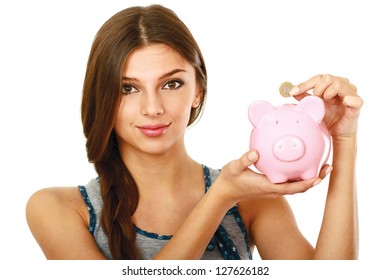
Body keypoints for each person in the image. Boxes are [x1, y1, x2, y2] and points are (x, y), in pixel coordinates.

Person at [25, 4, 363, 260]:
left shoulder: (251, 201)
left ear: (198, 90)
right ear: (103, 95)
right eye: (128, 88)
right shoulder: (59, 209)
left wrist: (342, 139)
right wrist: (219, 197)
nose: (152, 107)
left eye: (171, 83)